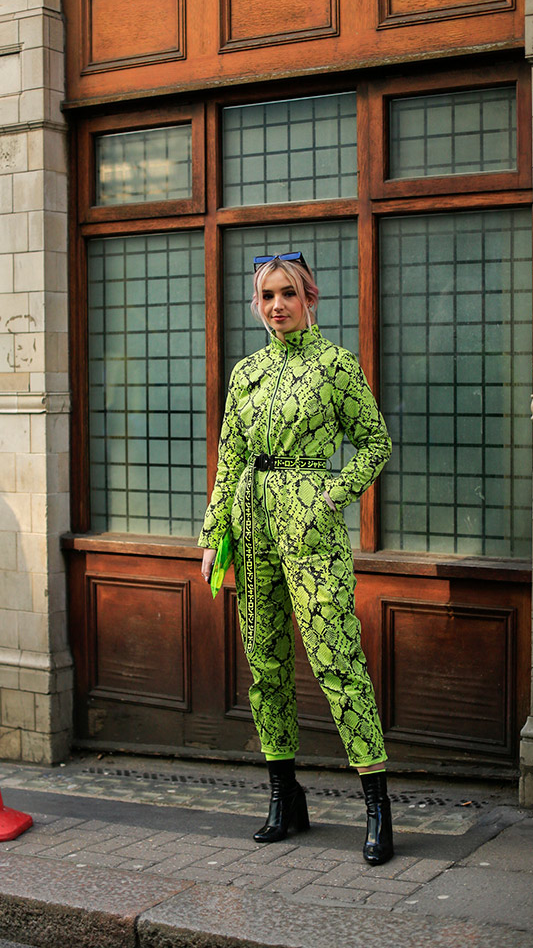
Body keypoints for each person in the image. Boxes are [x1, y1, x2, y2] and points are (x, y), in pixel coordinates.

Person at [198, 252, 394, 865]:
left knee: (337, 659)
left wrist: (327, 494)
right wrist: (213, 536)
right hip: (254, 531)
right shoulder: (246, 374)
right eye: (267, 297)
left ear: (310, 296)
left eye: (288, 293)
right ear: (256, 305)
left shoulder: (336, 366)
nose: (277, 305)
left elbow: (375, 444)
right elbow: (230, 460)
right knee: (266, 667)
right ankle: (286, 797)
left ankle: (377, 806)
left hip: (312, 535)